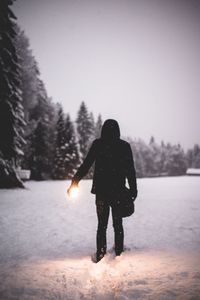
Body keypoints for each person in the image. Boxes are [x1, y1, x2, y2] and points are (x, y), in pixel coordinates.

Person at [67, 119, 137, 263]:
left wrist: (75, 181)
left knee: (102, 225)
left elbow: (86, 165)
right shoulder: (124, 146)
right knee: (118, 224)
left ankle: (101, 254)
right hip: (118, 192)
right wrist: (133, 190)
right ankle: (118, 253)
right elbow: (130, 170)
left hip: (101, 192)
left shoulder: (98, 144)